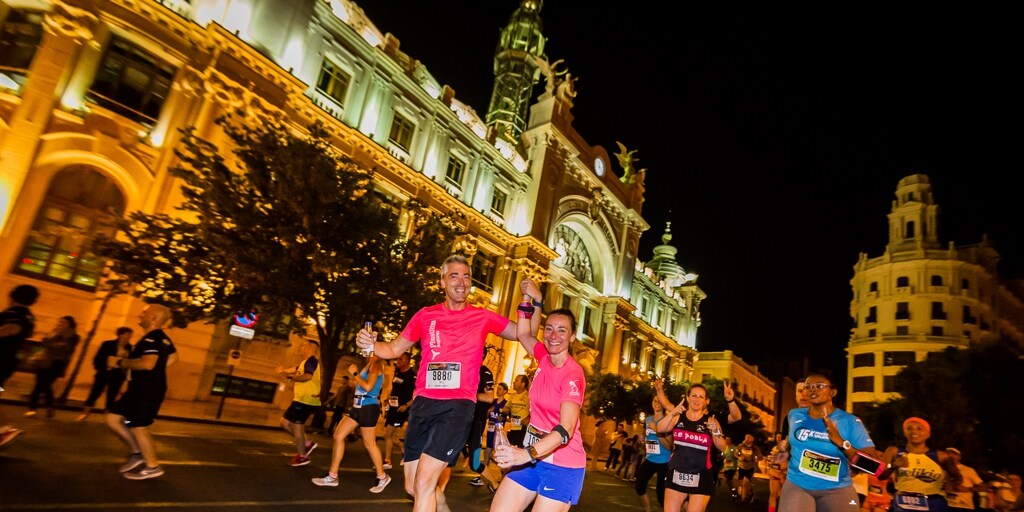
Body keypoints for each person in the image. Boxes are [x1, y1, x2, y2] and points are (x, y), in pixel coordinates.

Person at [354, 254, 523, 512]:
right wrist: (370, 345)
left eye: (466, 276)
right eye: (454, 275)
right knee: (414, 486)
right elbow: (394, 348)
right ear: (442, 281)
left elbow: (523, 332)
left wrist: (531, 303)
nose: (462, 281)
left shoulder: (482, 317)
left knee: (423, 482)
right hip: (423, 405)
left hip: (457, 408)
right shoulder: (425, 315)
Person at [491, 278, 587, 512]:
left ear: (572, 337)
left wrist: (526, 454)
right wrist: (531, 300)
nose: (554, 335)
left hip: (562, 465)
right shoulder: (543, 357)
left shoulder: (573, 374)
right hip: (533, 458)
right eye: (550, 329)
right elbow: (523, 332)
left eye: (562, 330)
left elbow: (565, 429)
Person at [778, 371, 875, 511]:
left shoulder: (850, 422)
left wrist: (842, 443)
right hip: (798, 485)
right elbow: (792, 442)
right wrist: (784, 453)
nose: (813, 390)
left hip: (837, 489)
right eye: (808, 386)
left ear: (832, 392)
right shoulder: (794, 415)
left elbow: (872, 466)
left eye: (819, 386)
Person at [105, 304, 177, 480]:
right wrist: (158, 372)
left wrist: (120, 362)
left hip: (147, 390)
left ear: (154, 318)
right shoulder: (162, 339)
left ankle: (153, 466)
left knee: (139, 426)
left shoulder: (152, 339)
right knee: (113, 418)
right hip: (138, 388)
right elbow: (174, 357)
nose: (140, 315)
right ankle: (137, 453)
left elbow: (147, 363)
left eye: (144, 313)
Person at [654, 378, 737, 512]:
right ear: (687, 397)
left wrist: (715, 432)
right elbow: (661, 429)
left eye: (701, 397)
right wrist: (672, 413)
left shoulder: (711, 421)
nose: (697, 399)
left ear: (706, 401)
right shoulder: (678, 417)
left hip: (702, 477)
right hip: (676, 474)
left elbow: (722, 447)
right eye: (694, 395)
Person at [312, 353, 391, 493]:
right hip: (357, 406)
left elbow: (367, 387)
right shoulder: (369, 365)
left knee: (369, 443)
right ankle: (332, 476)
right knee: (338, 436)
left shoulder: (376, 365)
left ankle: (382, 476)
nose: (364, 351)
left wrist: (354, 373)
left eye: (367, 349)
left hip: (368, 407)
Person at [880, 417, 962, 512]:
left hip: (933, 502)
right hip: (904, 502)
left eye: (920, 428)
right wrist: (894, 466)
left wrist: (951, 484)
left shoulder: (941, 456)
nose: (914, 431)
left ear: (928, 434)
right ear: (904, 432)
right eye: (909, 428)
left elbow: (958, 478)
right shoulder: (894, 451)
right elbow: (880, 476)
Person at [0, 284, 39, 450]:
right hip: (7, 361)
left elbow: (11, 328)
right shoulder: (29, 316)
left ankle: (5, 430)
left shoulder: (14, 313)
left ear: (13, 295)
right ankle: (4, 430)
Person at [276, 339, 320, 467]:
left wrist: (290, 378)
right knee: (284, 423)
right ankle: (307, 444)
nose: (301, 348)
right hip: (300, 399)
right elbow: (294, 369)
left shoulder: (311, 361)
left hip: (305, 400)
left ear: (311, 348)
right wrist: (283, 371)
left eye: (303, 346)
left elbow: (307, 376)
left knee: (297, 428)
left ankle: (303, 456)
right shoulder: (304, 363)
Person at [25, 315, 80, 418]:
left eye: (64, 322)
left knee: (45, 384)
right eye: (60, 321)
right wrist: (54, 343)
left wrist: (53, 343)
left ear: (70, 324)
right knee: (39, 384)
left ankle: (45, 407)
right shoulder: (54, 331)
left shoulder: (74, 336)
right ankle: (34, 408)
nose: (61, 324)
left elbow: (65, 348)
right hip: (44, 360)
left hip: (57, 363)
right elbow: (44, 342)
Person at [77, 327, 134, 422]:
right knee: (95, 393)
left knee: (112, 396)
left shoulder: (130, 348)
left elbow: (131, 362)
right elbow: (98, 358)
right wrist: (103, 367)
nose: (129, 336)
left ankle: (108, 416)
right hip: (104, 372)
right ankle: (85, 413)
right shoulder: (108, 344)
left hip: (118, 375)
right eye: (127, 334)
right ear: (120, 334)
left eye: (130, 335)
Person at [465, 361, 498, 491]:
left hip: (476, 423)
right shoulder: (465, 367)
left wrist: (467, 394)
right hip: (460, 420)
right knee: (443, 456)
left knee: (475, 464)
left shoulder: (485, 373)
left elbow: (489, 398)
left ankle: (495, 485)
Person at [635, 396, 671, 512]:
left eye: (660, 401)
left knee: (661, 496)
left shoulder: (668, 421)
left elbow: (669, 446)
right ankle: (648, 510)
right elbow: (649, 441)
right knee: (639, 486)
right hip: (650, 458)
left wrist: (657, 431)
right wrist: (643, 439)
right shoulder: (648, 419)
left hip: (664, 462)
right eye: (655, 400)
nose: (657, 403)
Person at [382, 351, 416, 469]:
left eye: (401, 359)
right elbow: (394, 389)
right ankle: (403, 452)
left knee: (388, 433)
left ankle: (388, 461)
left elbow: (416, 394)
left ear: (407, 361)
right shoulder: (397, 372)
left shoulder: (412, 376)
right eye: (398, 359)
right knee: (391, 435)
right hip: (392, 407)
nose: (398, 361)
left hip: (402, 409)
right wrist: (388, 399)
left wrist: (406, 405)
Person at [483, 381, 509, 482]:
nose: (497, 390)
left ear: (505, 391)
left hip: (498, 431)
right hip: (490, 429)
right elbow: (486, 416)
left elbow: (505, 418)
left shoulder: (505, 404)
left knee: (493, 453)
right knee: (487, 452)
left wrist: (500, 417)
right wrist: (488, 411)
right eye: (497, 388)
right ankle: (483, 476)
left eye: (500, 389)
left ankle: (505, 470)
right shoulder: (492, 401)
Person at [946, 447, 985, 512]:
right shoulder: (943, 470)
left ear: (959, 457)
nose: (950, 456)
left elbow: (983, 487)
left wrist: (968, 489)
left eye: (954, 454)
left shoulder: (968, 470)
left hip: (964, 507)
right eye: (948, 453)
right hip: (947, 505)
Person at [504, 374, 531, 448]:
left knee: (519, 450)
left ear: (523, 384)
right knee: (510, 449)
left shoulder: (529, 396)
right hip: (512, 427)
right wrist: (505, 410)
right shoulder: (512, 396)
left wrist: (528, 418)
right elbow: (506, 408)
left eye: (516, 380)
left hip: (523, 429)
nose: (513, 382)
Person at [735, 433, 764, 503]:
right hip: (741, 466)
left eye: (749, 438)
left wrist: (757, 459)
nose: (747, 439)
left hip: (750, 467)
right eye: (746, 438)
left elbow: (761, 457)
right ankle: (750, 492)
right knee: (741, 483)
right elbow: (735, 453)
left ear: (752, 440)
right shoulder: (740, 446)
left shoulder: (755, 448)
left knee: (745, 482)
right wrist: (739, 457)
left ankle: (742, 500)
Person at [767, 436, 790, 512]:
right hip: (775, 473)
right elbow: (772, 459)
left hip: (787, 475)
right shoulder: (777, 448)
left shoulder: (795, 449)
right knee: (773, 494)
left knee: (782, 496)